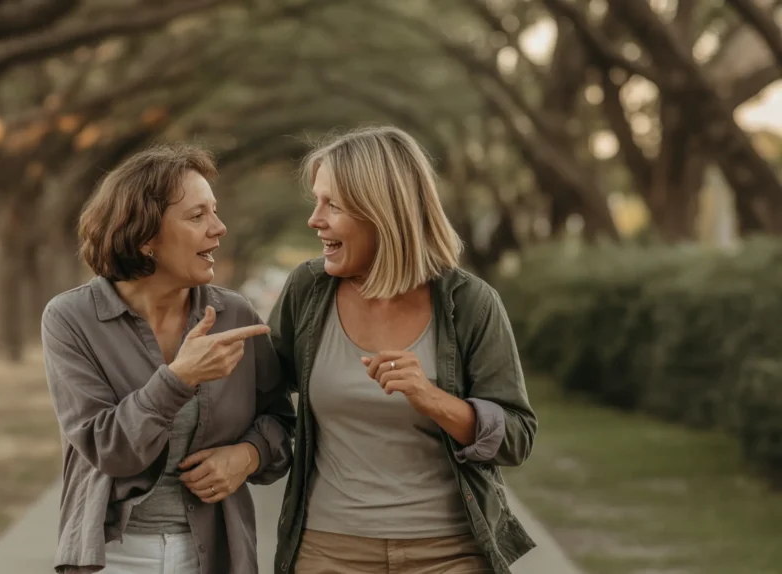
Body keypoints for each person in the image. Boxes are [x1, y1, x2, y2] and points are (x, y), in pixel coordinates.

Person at [269, 126, 538, 574]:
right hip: (329, 550)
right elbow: (261, 397)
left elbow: (517, 436)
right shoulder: (308, 291)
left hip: (449, 553)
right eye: (317, 201)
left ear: (382, 212)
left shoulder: (469, 303)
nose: (315, 220)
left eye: (331, 205)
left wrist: (433, 398)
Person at [41, 144, 295, 574]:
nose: (219, 228)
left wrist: (247, 455)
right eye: (197, 216)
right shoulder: (72, 319)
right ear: (144, 238)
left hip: (218, 554)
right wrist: (178, 379)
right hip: (112, 557)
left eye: (214, 211)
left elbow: (280, 422)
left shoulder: (234, 315)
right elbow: (109, 450)